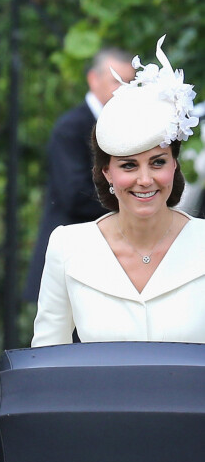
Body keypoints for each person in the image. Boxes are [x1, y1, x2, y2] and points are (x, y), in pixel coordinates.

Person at [32, 35, 204, 347]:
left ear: (175, 166)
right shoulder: (68, 248)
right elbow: (47, 368)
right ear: (106, 172)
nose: (145, 179)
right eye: (128, 166)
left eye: (157, 162)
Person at [23, 47, 135, 302]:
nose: (123, 90)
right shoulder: (70, 128)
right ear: (93, 79)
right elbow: (74, 196)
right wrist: (132, 203)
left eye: (129, 83)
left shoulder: (129, 126)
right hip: (72, 258)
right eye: (116, 81)